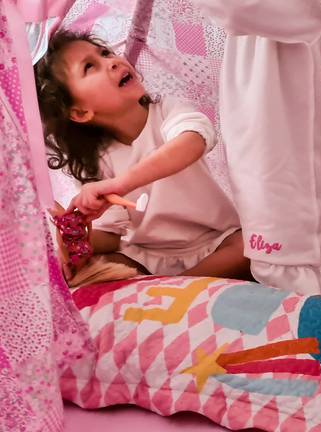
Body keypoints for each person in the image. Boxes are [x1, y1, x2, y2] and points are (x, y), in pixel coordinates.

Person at [191, 0, 321, 301]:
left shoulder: (304, 6)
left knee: (285, 264)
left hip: (279, 159)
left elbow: (233, 10)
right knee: (290, 248)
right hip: (263, 150)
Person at [35, 30, 250, 279]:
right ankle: (182, 285)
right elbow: (112, 236)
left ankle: (176, 287)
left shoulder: (168, 111)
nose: (112, 61)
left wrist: (120, 184)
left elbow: (193, 142)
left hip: (215, 242)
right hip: (148, 255)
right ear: (81, 112)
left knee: (250, 247)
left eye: (105, 53)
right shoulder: (93, 161)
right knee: (86, 268)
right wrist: (75, 237)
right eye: (90, 67)